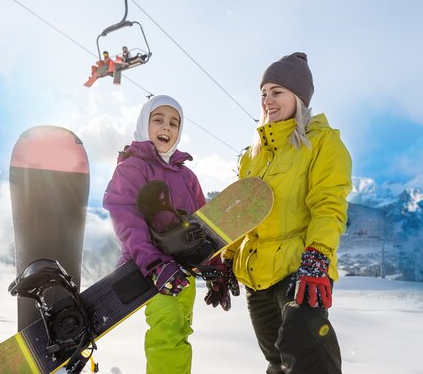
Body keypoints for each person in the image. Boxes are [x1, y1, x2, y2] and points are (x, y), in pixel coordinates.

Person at [217, 52, 352, 374]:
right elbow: (241, 211)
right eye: (263, 94)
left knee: (306, 358)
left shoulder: (322, 143)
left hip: (301, 270)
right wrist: (226, 259)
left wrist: (317, 255)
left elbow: (328, 204)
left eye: (277, 92)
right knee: (276, 362)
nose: (268, 101)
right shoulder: (253, 155)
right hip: (256, 273)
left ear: (299, 97)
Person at [103, 95, 205, 374]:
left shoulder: (187, 176)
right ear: (143, 124)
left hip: (184, 270)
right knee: (169, 327)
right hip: (148, 269)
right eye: (158, 119)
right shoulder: (133, 166)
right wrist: (155, 264)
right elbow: (126, 217)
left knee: (181, 329)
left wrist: (216, 268)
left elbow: (204, 227)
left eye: (174, 123)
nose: (166, 127)